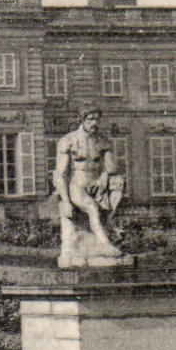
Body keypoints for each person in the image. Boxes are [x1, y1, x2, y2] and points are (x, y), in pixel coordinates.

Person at [52, 108, 124, 261]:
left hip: (97, 184)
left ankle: (110, 221)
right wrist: (66, 202)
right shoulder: (68, 141)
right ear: (82, 120)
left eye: (97, 119)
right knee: (91, 207)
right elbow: (60, 174)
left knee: (118, 182)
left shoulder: (103, 141)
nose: (94, 123)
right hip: (76, 185)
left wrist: (104, 176)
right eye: (90, 119)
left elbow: (111, 168)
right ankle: (105, 244)